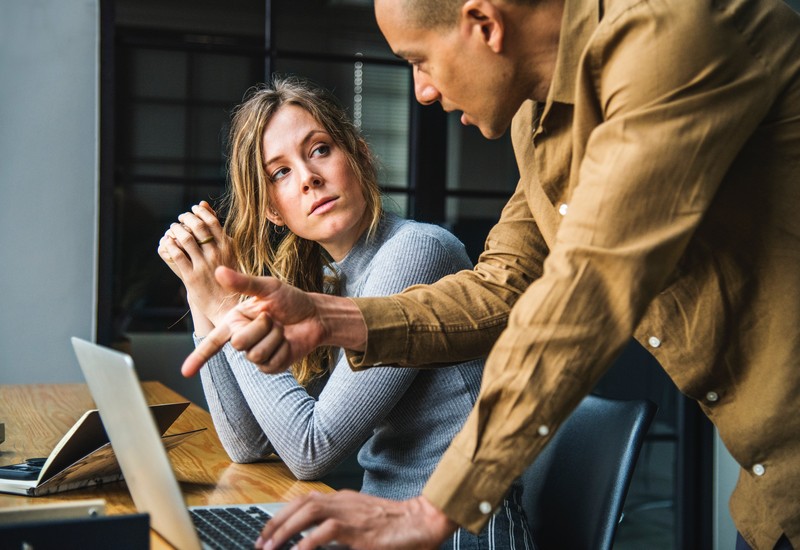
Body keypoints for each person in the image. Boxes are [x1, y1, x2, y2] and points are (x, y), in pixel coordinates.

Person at [184, 0, 800, 548]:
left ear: (483, 24)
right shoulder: (539, 123)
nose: (421, 89)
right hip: (770, 494)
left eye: (420, 59)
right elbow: (502, 286)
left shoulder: (673, 35)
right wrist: (324, 316)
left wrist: (435, 509)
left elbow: (588, 288)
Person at [158, 76, 535, 549]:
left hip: (458, 534)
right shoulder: (331, 278)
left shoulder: (416, 252)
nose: (308, 178)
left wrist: (227, 307)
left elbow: (309, 449)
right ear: (274, 211)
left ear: (358, 154)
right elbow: (248, 445)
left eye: (318, 150)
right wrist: (202, 295)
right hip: (382, 528)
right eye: (280, 173)